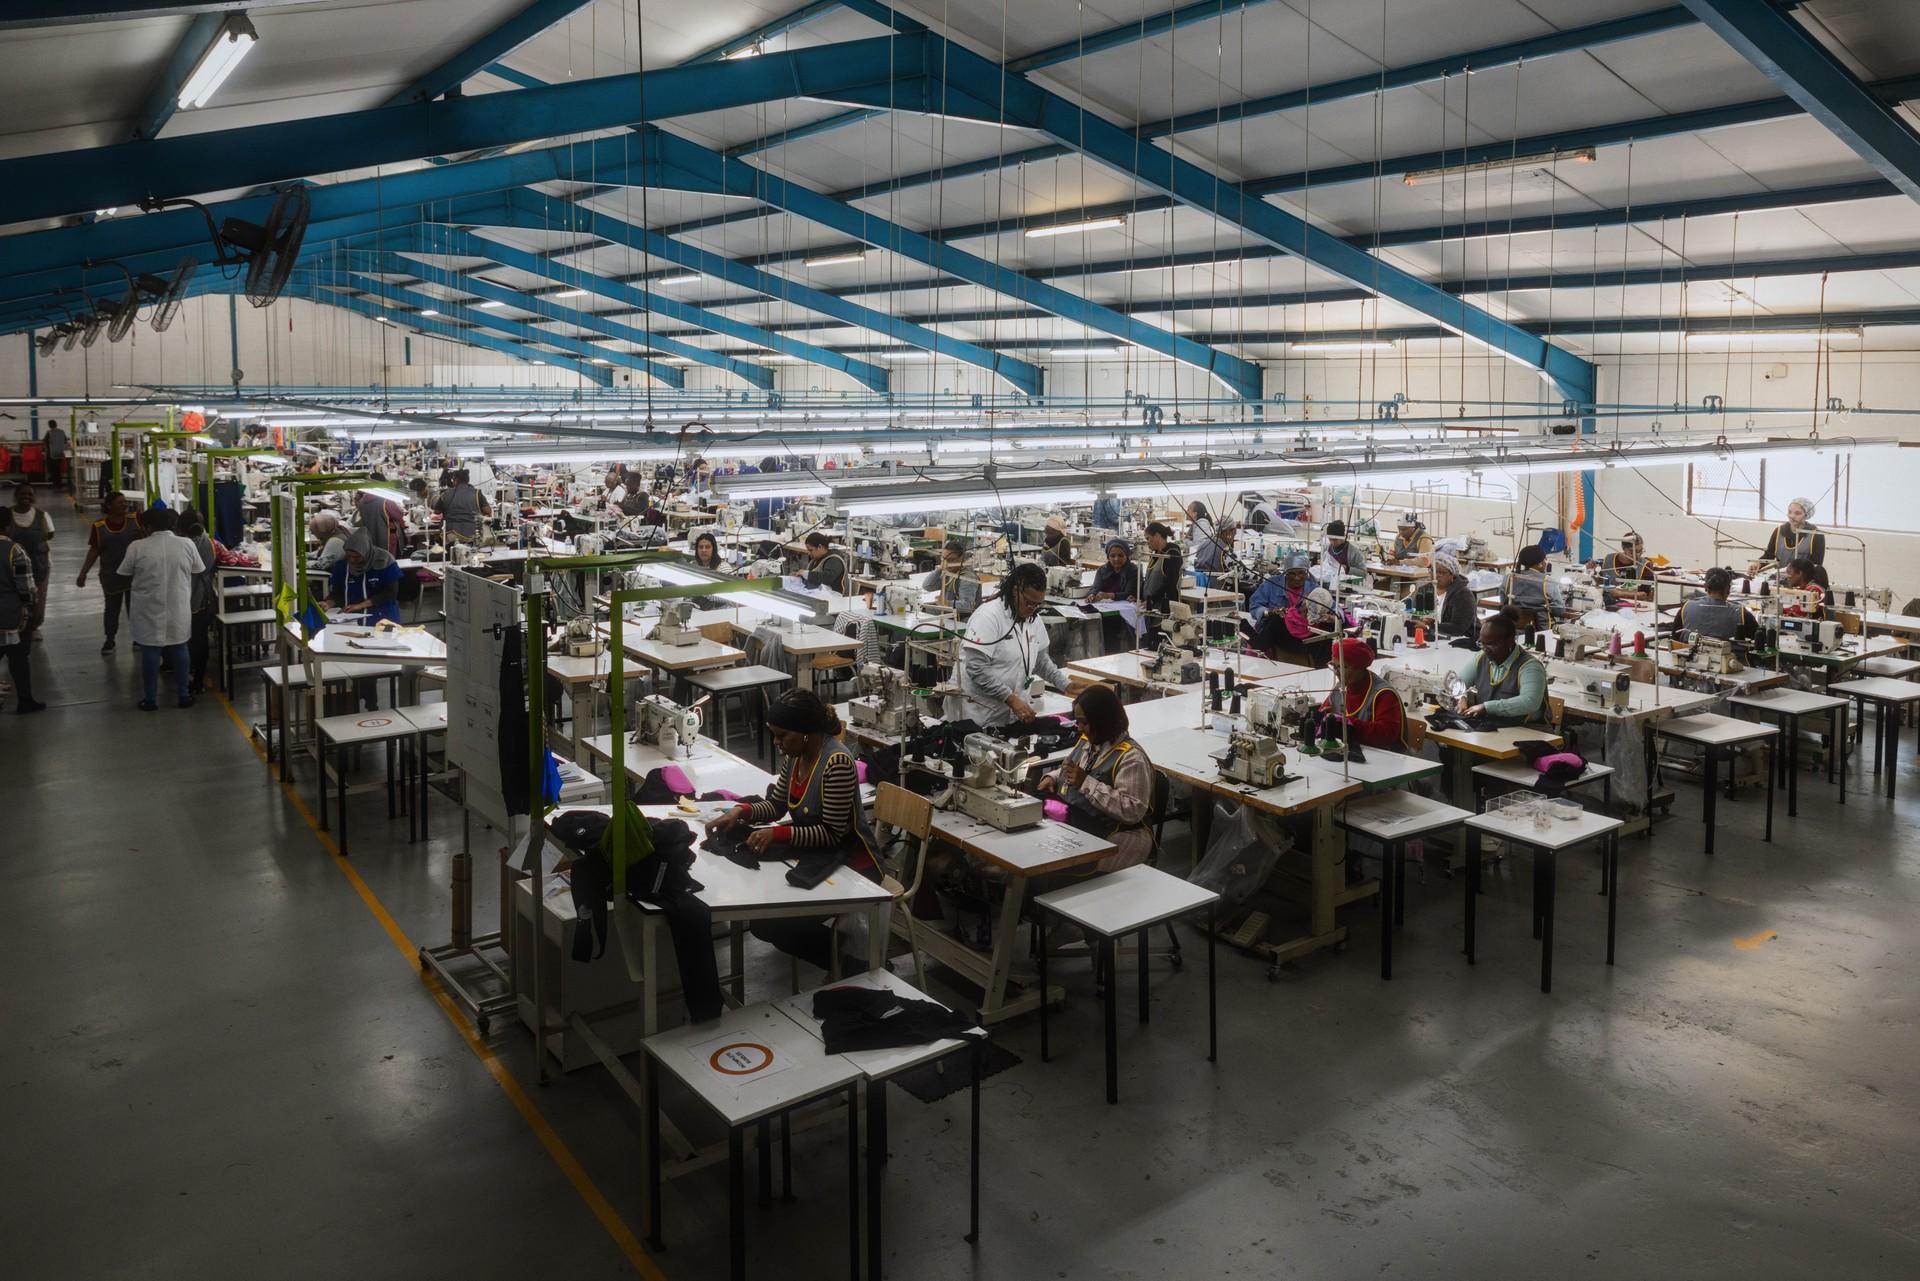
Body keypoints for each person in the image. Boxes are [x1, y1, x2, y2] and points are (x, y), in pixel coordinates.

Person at [705, 690, 879, 972]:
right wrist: (740, 812)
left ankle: (851, 964)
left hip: (853, 864)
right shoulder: (795, 757)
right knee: (764, 922)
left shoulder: (837, 763)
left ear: (807, 732)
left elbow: (832, 832)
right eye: (774, 735)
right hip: (816, 855)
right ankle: (842, 957)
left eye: (782, 735)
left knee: (772, 924)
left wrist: (778, 834)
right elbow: (776, 805)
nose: (776, 743)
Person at [1036, 684, 1154, 874]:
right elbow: (1070, 769)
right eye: (1078, 722)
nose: (1080, 728)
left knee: (1046, 868)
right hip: (1079, 824)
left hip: (1117, 836)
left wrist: (1087, 784)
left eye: (1085, 722)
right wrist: (1053, 777)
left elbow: (1133, 810)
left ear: (1103, 721)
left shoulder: (1131, 758)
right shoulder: (1088, 741)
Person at [954, 561, 1064, 727]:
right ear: (1015, 591)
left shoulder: (1033, 619)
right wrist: (1010, 698)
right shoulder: (988, 617)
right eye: (1028, 602)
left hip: (1013, 715)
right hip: (979, 714)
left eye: (1037, 604)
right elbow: (976, 669)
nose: (1032, 608)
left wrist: (1066, 684)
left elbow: (1041, 661)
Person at [117, 507, 201, 711]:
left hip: (148, 606)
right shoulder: (187, 544)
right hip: (177, 604)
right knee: (180, 647)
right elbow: (198, 569)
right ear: (171, 524)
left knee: (150, 650)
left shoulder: (137, 547)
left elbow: (124, 573)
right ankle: (183, 695)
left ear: (146, 526)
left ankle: (150, 699)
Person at [1455, 609, 1548, 728]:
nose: (1485, 648)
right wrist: (1462, 697)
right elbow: (1458, 682)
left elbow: (1530, 702)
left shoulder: (1530, 667)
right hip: (1493, 728)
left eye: (1492, 644)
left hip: (1527, 731)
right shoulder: (1481, 658)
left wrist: (1487, 707)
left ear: (1510, 641)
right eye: (1482, 643)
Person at [1246, 554, 1345, 667]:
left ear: (1307, 573)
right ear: (1285, 573)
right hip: (1275, 635)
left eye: (1301, 573)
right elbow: (1254, 606)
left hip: (1299, 638)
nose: (1297, 577)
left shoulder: (1313, 588)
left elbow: (1335, 608)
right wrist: (1269, 611)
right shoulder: (1271, 585)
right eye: (1292, 573)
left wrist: (1333, 617)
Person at [76, 491, 143, 654]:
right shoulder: (99, 527)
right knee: (112, 609)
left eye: (125, 502)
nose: (124, 505)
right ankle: (110, 639)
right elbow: (94, 551)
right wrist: (83, 573)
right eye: (120, 503)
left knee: (134, 608)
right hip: (111, 575)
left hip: (134, 575)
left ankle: (138, 638)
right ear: (109, 506)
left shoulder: (136, 520)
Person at [1316, 637, 1406, 750]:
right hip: (1350, 751)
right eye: (1333, 666)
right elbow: (1324, 713)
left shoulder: (1383, 694)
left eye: (1341, 667)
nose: (1336, 672)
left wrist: (1347, 724)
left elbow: (1386, 735)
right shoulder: (1340, 687)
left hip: (1382, 758)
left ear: (1359, 668)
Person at [0, 525, 44, 713]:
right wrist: (34, 609)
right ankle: (25, 700)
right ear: (9, 528)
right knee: (18, 658)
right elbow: (26, 587)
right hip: (11, 615)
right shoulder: (14, 550)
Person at [327, 528, 404, 626]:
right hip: (350, 618)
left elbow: (390, 593)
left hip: (382, 616)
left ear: (366, 552)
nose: (352, 560)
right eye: (349, 556)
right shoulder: (342, 565)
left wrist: (360, 605)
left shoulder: (384, 561)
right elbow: (337, 592)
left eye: (357, 557)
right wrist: (329, 603)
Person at [179, 508, 218, 693]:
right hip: (204, 599)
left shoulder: (185, 546)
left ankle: (194, 678)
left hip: (194, 600)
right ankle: (197, 678)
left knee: (192, 641)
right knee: (198, 640)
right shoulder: (207, 541)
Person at [9, 483, 54, 637]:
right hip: (14, 566)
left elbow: (49, 535)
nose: (26, 497)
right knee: (16, 596)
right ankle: (16, 623)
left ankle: (34, 627)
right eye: (22, 494)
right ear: (16, 496)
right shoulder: (7, 516)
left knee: (38, 597)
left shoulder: (43, 516)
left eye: (29, 494)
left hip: (40, 564)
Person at [1679, 567, 1757, 643]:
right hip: (1732, 655)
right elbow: (1758, 643)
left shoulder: (1687, 607)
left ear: (1705, 587)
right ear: (1728, 589)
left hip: (1691, 655)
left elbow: (1675, 639)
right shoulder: (1742, 614)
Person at [1090, 538, 1142, 654]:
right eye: (1112, 556)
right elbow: (1095, 587)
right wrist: (1092, 595)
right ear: (1108, 557)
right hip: (1105, 614)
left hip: (1124, 616)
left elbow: (1129, 592)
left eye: (1120, 555)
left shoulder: (1133, 570)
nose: (1116, 559)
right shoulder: (1102, 570)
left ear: (1127, 556)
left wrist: (1109, 595)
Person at [1753, 497, 1825, 571]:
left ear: (1807, 515)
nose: (1792, 516)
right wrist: (1759, 563)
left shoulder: (1816, 535)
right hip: (1779, 578)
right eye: (1789, 512)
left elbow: (1816, 565)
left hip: (1803, 581)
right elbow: (1769, 555)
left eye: (1797, 513)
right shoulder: (1779, 531)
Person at [1503, 544, 1555, 630]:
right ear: (1540, 564)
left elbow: (1504, 601)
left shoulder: (1509, 578)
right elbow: (1559, 610)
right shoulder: (1547, 581)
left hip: (1512, 628)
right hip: (1540, 632)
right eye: (1545, 559)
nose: (1546, 561)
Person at [1430, 552, 1479, 641]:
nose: (1436, 575)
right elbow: (1415, 614)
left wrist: (1429, 626)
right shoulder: (1425, 590)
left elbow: (1458, 628)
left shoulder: (1463, 595)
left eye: (1441, 572)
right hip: (1434, 638)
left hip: (1462, 641)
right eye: (1433, 571)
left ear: (1452, 574)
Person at [434, 468, 491, 543]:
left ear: (455, 480)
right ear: (467, 480)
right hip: (470, 533)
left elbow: (437, 511)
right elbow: (488, 511)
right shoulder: (476, 493)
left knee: (450, 552)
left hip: (449, 533)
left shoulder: (445, 494)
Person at [1140, 522, 1184, 614]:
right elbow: (1148, 580)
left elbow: (1170, 583)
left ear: (1157, 535)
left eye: (1148, 538)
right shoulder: (1155, 554)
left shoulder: (1172, 554)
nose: (1147, 542)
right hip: (1151, 607)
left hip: (1165, 608)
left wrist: (1152, 600)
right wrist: (1139, 596)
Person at [1595, 532, 1651, 603]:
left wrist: (1620, 594)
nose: (1637, 555)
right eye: (1632, 551)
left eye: (1640, 551)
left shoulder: (1645, 565)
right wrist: (1593, 571)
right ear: (1623, 548)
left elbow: (1645, 594)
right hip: (1608, 603)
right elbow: (1600, 583)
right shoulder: (1608, 559)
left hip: (1634, 605)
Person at [1186, 501, 1233, 583]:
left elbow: (1198, 545)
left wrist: (1185, 541)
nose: (1186, 511)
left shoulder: (1201, 524)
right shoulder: (1197, 525)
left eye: (1189, 509)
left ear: (1195, 513)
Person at [921, 539, 971, 607]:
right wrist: (939, 569)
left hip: (958, 616)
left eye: (951, 560)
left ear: (962, 558)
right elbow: (927, 586)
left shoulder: (967, 577)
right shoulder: (948, 573)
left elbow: (968, 605)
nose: (947, 563)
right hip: (947, 613)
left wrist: (947, 603)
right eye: (944, 559)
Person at [43, 419, 69, 491]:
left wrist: (45, 452)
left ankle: (56, 485)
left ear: (49, 425)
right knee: (58, 470)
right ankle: (58, 484)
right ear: (56, 424)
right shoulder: (61, 432)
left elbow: (45, 442)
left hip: (51, 454)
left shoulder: (49, 432)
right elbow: (65, 441)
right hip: (60, 453)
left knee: (53, 471)